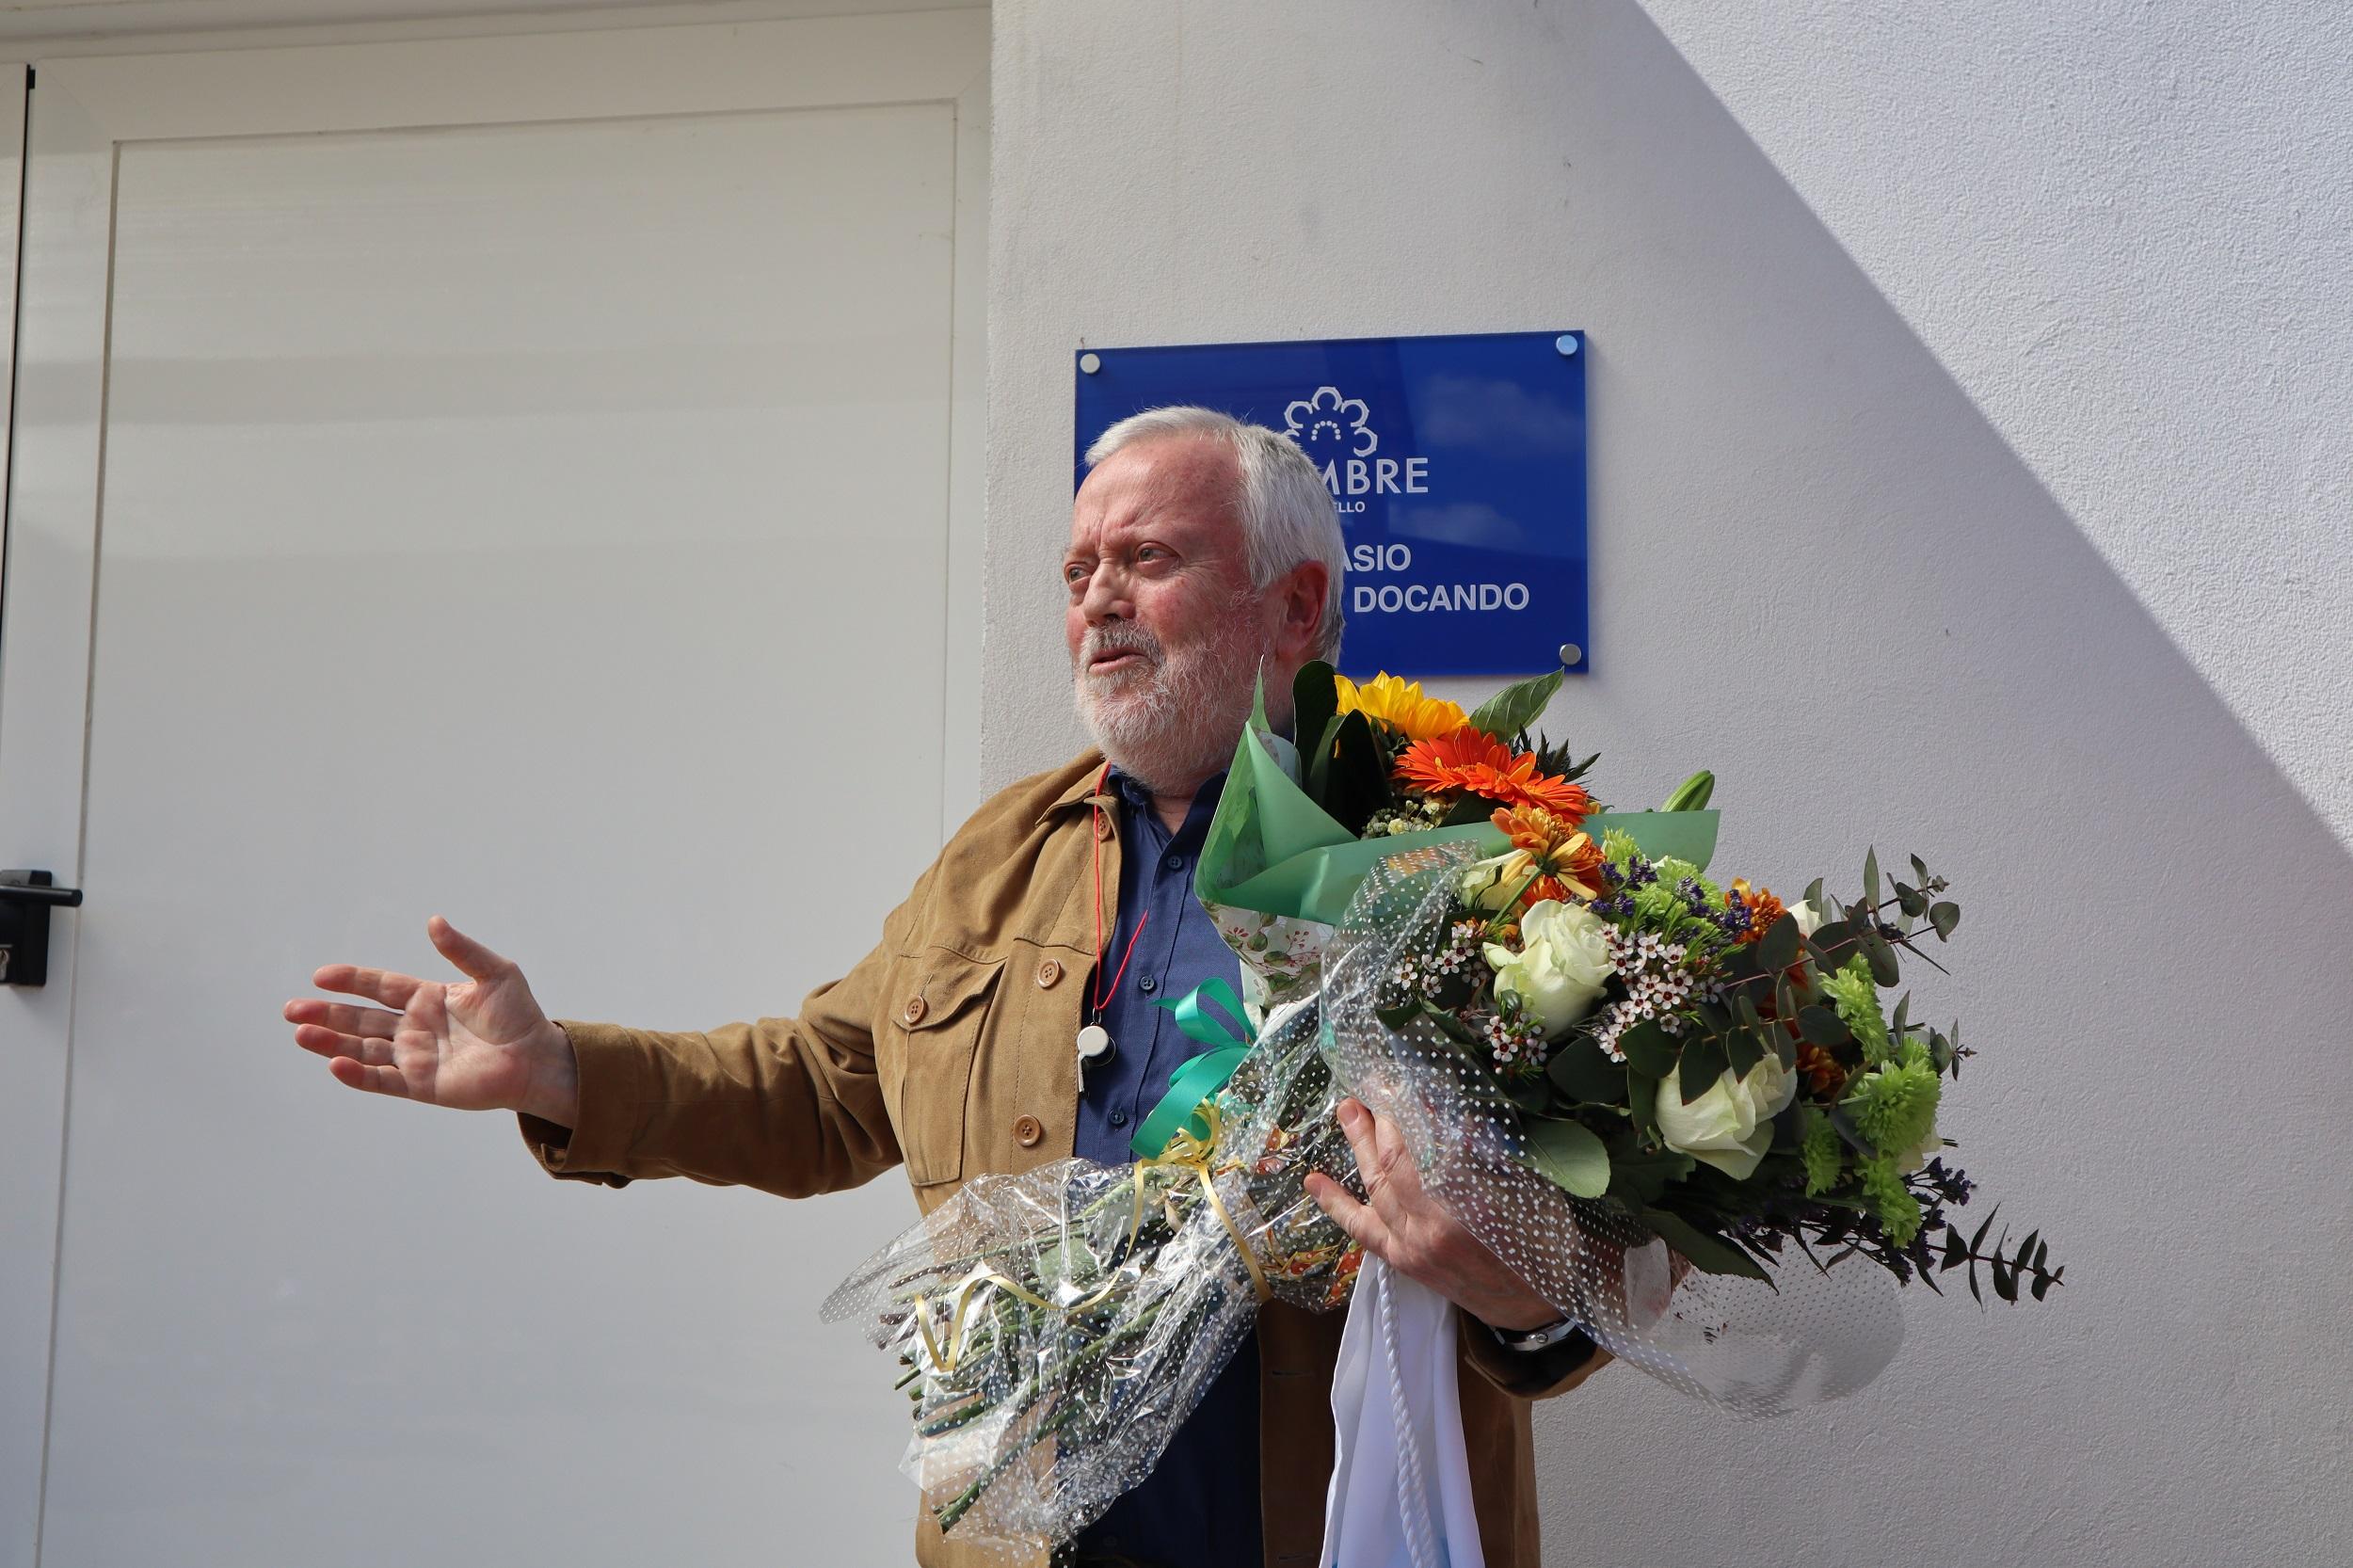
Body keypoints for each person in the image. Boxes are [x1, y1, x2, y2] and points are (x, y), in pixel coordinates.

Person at [285, 407, 1611, 1568]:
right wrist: (564, 1071)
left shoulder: (1458, 861)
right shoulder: (1001, 856)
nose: (1096, 596)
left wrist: (1526, 1288)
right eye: (1079, 567)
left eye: (1147, 559)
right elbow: (825, 1087)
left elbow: (1617, 1239)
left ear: (1297, 605)